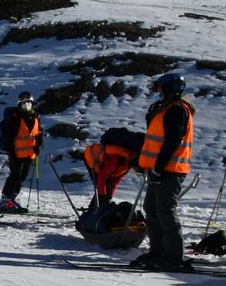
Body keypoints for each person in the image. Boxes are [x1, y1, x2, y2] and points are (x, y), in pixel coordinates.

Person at [130, 72, 194, 271]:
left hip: (170, 169)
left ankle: (173, 257)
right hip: (158, 169)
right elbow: (155, 141)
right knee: (152, 209)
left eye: (158, 87)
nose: (156, 91)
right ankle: (158, 252)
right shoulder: (164, 108)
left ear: (167, 88)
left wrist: (158, 167)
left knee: (165, 212)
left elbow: (172, 141)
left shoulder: (177, 109)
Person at [0, 91, 41, 211]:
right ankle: (5, 199)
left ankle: (12, 198)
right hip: (16, 152)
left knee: (23, 176)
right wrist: (10, 150)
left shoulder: (35, 117)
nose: (26, 105)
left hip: (30, 153)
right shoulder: (15, 117)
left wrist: (39, 145)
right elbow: (9, 135)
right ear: (19, 104)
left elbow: (38, 133)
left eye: (29, 103)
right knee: (15, 175)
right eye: (24, 103)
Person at [81, 127, 141, 207]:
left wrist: (110, 196)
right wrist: (102, 194)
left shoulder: (127, 165)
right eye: (136, 169)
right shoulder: (118, 160)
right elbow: (102, 175)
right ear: (134, 164)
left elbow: (115, 180)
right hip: (91, 157)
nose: (135, 171)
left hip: (105, 164)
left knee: (107, 188)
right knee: (101, 187)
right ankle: (93, 211)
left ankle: (101, 208)